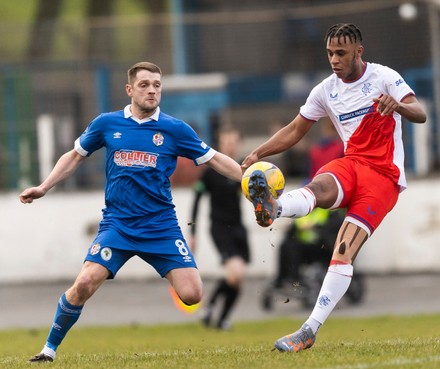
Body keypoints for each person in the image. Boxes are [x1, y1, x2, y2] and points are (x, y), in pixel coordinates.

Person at [19, 61, 242, 362]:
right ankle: (48, 349)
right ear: (129, 90)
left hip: (161, 227)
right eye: (144, 85)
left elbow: (215, 159)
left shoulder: (175, 129)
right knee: (84, 283)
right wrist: (44, 187)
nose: (152, 90)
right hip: (118, 226)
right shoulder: (107, 124)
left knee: (192, 294)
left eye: (157, 85)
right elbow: (74, 156)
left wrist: (250, 178)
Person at [241, 23, 427, 353]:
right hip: (352, 163)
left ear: (359, 51)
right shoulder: (325, 90)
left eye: (340, 53)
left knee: (342, 253)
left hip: (384, 177)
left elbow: (420, 113)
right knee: (320, 185)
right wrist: (259, 152)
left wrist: (397, 105)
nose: (334, 59)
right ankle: (274, 207)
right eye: (329, 53)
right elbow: (295, 129)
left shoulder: (384, 77)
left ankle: (309, 330)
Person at [189, 127, 249, 330]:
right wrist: (192, 233)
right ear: (220, 144)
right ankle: (210, 307)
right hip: (219, 229)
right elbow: (196, 200)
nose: (230, 145)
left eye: (234, 141)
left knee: (237, 280)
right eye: (227, 142)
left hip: (239, 228)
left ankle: (221, 319)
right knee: (235, 274)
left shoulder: (242, 171)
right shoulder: (210, 172)